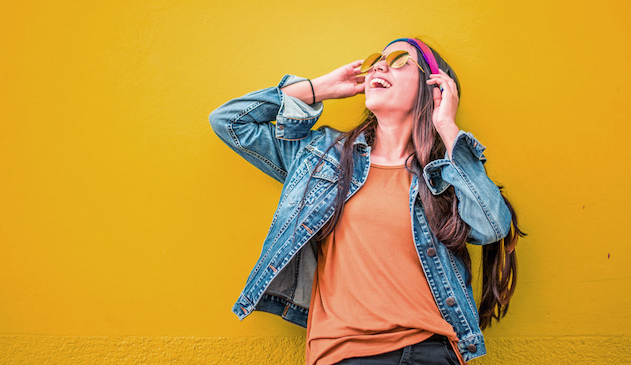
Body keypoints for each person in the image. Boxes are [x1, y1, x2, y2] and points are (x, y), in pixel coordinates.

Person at [209, 37, 524, 365]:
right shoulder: (322, 156)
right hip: (345, 353)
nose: (379, 65)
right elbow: (229, 122)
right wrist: (318, 88)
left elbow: (492, 227)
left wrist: (447, 127)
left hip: (434, 350)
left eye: (400, 60)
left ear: (434, 88)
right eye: (377, 59)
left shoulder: (445, 174)